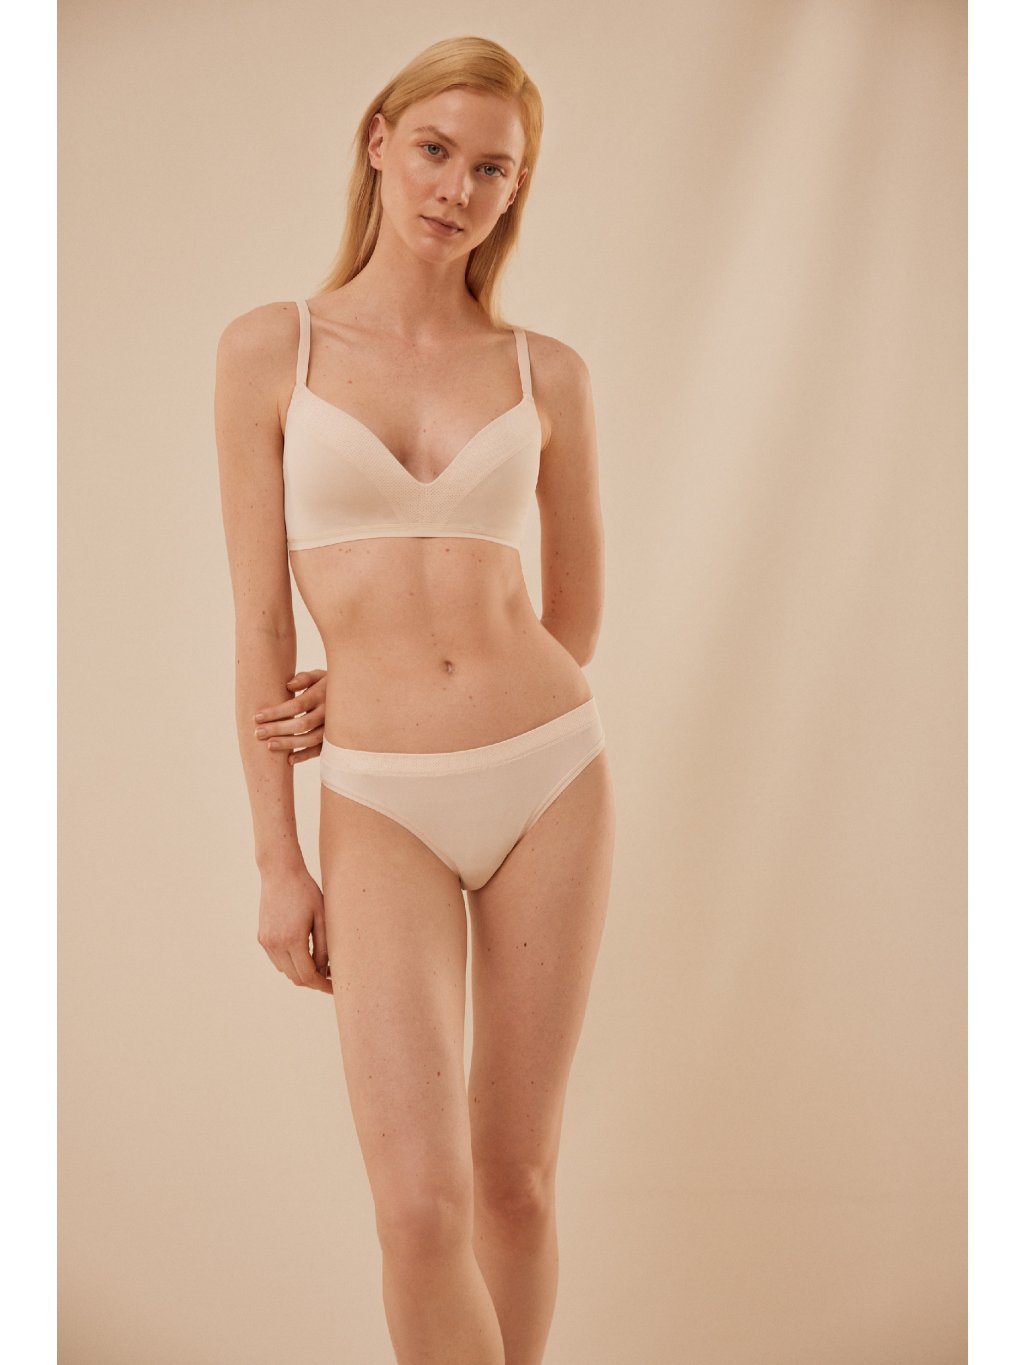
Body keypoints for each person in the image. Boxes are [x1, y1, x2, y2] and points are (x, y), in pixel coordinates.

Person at [214, 35, 615, 1365]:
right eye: (437, 149)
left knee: (518, 1183)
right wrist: (277, 859)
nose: (458, 187)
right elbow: (260, 624)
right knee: (419, 1210)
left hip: (549, 773)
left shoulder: (546, 371)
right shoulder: (271, 349)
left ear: (515, 191)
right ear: (379, 142)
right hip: (379, 796)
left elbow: (574, 617)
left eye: (493, 169)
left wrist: (458, 669)